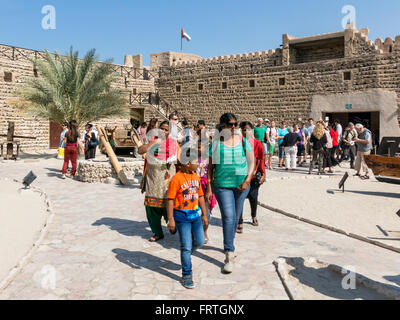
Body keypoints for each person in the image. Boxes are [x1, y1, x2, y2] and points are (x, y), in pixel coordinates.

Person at [206, 113, 254, 274]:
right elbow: (210, 169)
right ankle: (229, 253)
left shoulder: (242, 141)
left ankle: (229, 243)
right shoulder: (216, 144)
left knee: (234, 218)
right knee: (228, 216)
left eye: (235, 124)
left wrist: (248, 180)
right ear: (222, 126)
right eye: (230, 124)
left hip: (242, 186)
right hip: (222, 186)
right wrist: (209, 189)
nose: (233, 127)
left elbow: (251, 162)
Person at [167, 147, 208, 289]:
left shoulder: (196, 177)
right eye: (197, 161)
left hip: (195, 216)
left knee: (200, 241)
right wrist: (170, 219)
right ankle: (187, 274)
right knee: (185, 247)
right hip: (181, 217)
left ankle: (187, 254)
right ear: (188, 163)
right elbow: (170, 199)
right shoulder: (176, 179)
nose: (199, 164)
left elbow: (201, 196)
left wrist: (204, 214)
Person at [138, 121, 180, 242]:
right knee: (151, 207)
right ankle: (157, 232)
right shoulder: (152, 139)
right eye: (161, 128)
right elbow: (140, 150)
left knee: (169, 204)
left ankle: (172, 224)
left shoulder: (174, 143)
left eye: (166, 130)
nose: (163, 131)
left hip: (167, 180)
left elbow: (180, 159)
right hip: (153, 179)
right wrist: (152, 144)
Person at [237, 121, 266, 233]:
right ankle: (239, 221)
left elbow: (261, 160)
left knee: (253, 197)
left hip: (253, 177)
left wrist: (263, 173)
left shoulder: (258, 144)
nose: (246, 132)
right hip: (240, 176)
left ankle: (253, 216)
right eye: (244, 130)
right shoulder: (238, 144)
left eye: (249, 129)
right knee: (239, 199)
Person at [197, 141, 216, 244]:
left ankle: (204, 232)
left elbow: (212, 174)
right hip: (195, 186)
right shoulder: (192, 159)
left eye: (202, 147)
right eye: (198, 147)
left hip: (206, 186)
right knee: (195, 211)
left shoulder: (210, 159)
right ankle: (194, 231)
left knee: (206, 212)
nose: (200, 149)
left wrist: (210, 188)